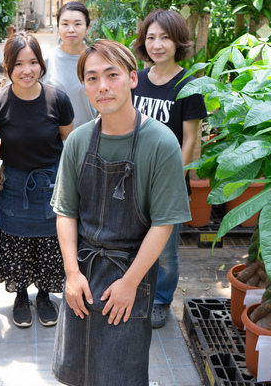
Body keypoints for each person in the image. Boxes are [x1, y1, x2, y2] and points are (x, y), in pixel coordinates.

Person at [50, 40, 191, 385]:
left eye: (111, 75)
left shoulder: (160, 143)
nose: (103, 86)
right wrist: (71, 274)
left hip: (131, 273)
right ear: (84, 86)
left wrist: (130, 283)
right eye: (92, 78)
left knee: (119, 373)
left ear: (132, 79)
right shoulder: (79, 141)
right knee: (76, 370)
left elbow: (163, 224)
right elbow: (66, 212)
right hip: (82, 273)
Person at [0, 32, 74, 328]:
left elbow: (68, 139)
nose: (27, 70)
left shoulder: (57, 99)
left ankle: (44, 294)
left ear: (41, 64)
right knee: (17, 240)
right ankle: (21, 295)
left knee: (49, 240)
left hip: (50, 181)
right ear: (8, 66)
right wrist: (9, 156)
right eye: (19, 63)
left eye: (33, 62)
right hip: (14, 183)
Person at [131, 9, 207, 328]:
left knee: (166, 250)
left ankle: (161, 299)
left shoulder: (188, 85)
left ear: (178, 41)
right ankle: (135, 290)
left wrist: (176, 179)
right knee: (133, 239)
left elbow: (190, 138)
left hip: (168, 183)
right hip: (134, 177)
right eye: (151, 37)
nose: (157, 44)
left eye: (164, 37)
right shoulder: (136, 79)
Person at [42, 1, 97, 130]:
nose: (71, 30)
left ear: (87, 28)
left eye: (77, 24)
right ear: (58, 27)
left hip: (88, 138)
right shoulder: (47, 60)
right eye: (65, 24)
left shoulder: (96, 60)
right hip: (55, 140)